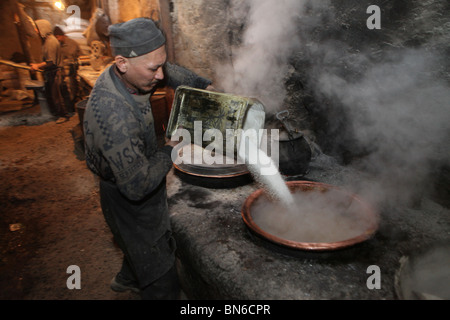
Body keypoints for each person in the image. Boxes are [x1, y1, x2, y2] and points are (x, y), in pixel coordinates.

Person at [83, 17, 213, 300]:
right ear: (122, 63)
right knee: (160, 273)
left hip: (136, 165)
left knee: (135, 244)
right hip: (126, 193)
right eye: (154, 69)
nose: (160, 76)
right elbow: (137, 186)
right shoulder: (112, 113)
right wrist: (171, 149)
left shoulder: (135, 72)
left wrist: (206, 88)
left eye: (161, 65)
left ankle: (126, 278)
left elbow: (172, 73)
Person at [30, 19, 70, 123]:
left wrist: (37, 65)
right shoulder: (46, 41)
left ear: (43, 28)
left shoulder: (51, 42)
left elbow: (51, 62)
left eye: (37, 28)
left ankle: (64, 115)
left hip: (56, 72)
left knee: (57, 95)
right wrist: (38, 66)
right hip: (51, 72)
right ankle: (58, 113)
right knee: (53, 95)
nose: (35, 30)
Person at [53, 26, 81, 109]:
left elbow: (78, 57)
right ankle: (69, 105)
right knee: (64, 88)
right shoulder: (57, 45)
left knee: (72, 87)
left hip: (72, 70)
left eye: (58, 37)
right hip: (63, 71)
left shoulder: (72, 44)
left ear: (62, 35)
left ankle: (73, 102)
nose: (57, 39)